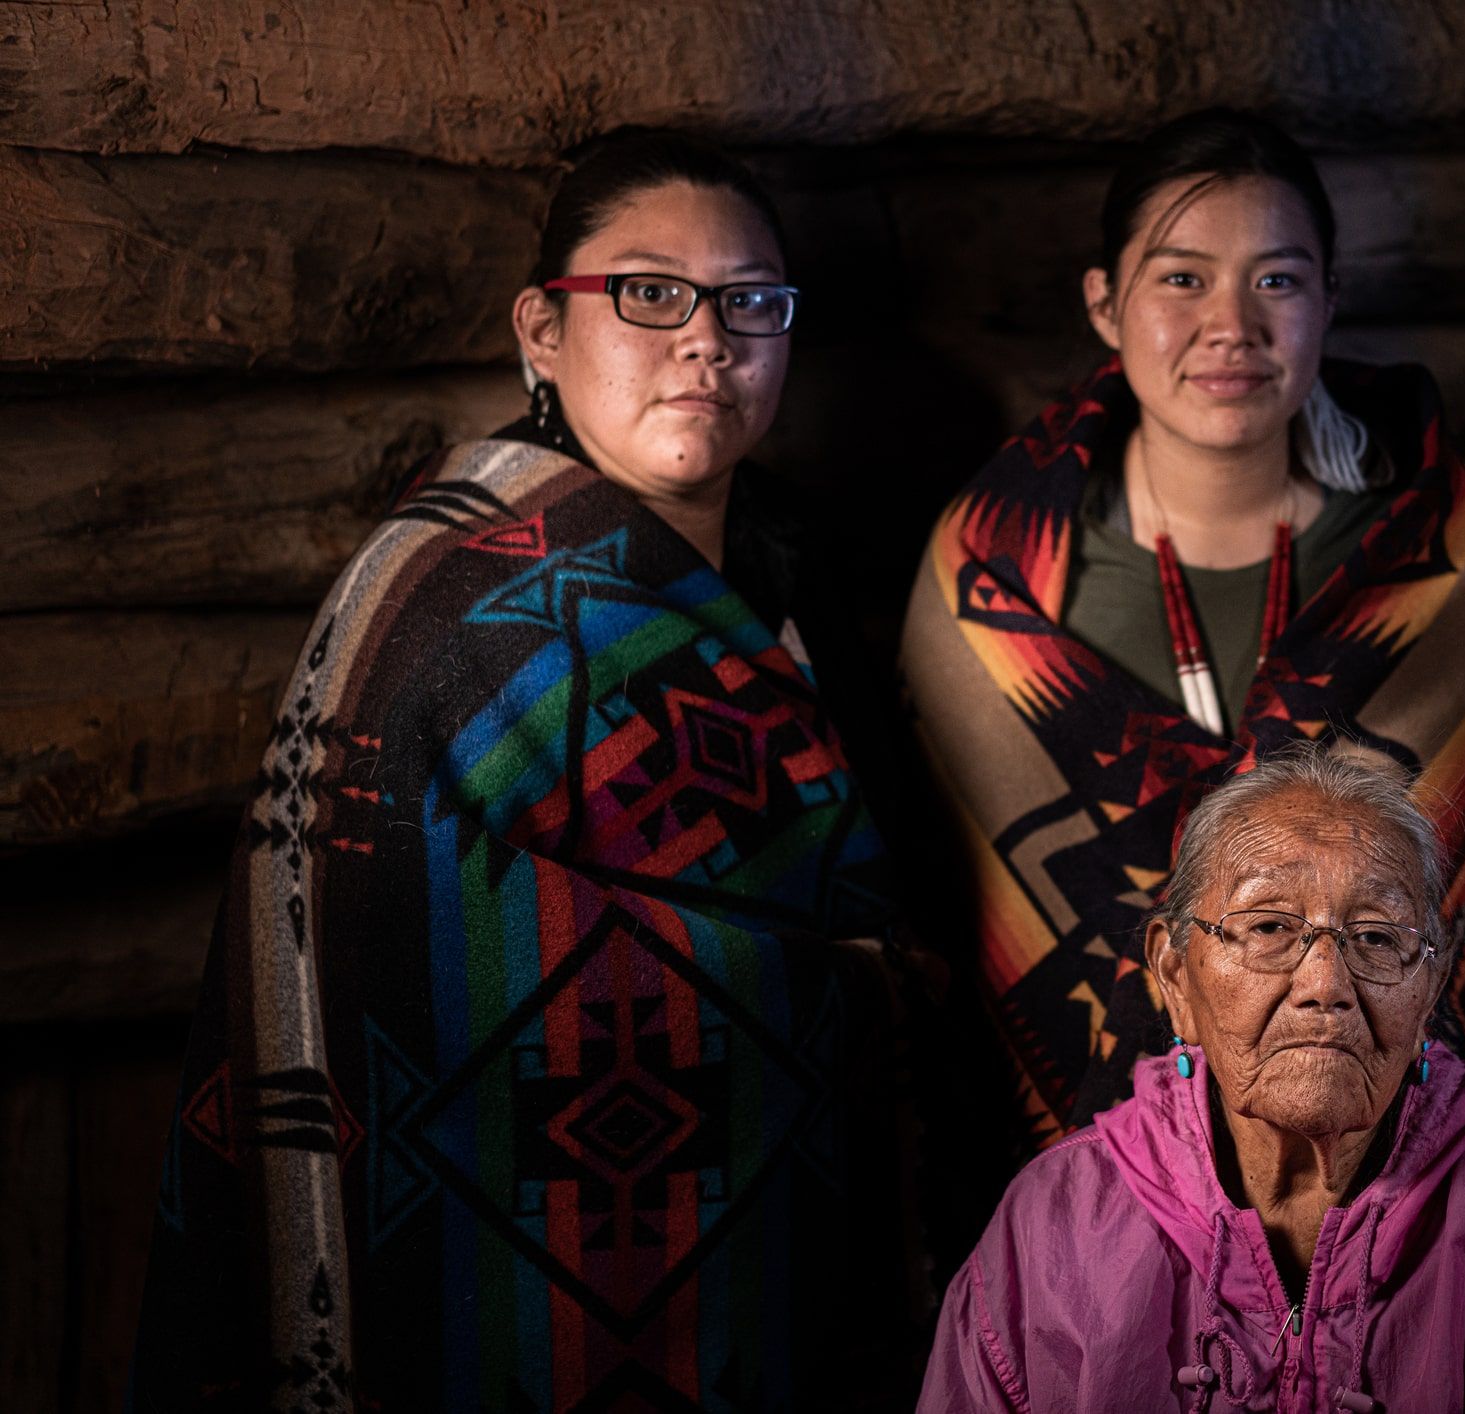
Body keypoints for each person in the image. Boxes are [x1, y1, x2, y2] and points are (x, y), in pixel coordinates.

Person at [131, 132, 925, 1410]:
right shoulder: (448, 602)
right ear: (542, 331)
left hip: (796, 1253)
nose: (705, 340)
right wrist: (835, 996)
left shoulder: (801, 571)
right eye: (648, 292)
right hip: (506, 1286)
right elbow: (368, 950)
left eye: (750, 302)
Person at [901, 109, 1465, 1153]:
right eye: (1181, 279)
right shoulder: (993, 577)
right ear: (1104, 304)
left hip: (1408, 1165)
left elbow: (1463, 883)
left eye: (1276, 281)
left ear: (1329, 298)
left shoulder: (1431, 546)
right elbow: (957, 900)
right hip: (1086, 1164)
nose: (1231, 326)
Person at [918, 746, 1465, 1411]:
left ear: (1429, 988)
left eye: (1378, 938)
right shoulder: (1056, 1223)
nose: (1325, 983)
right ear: (1175, 975)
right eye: (1269, 926)